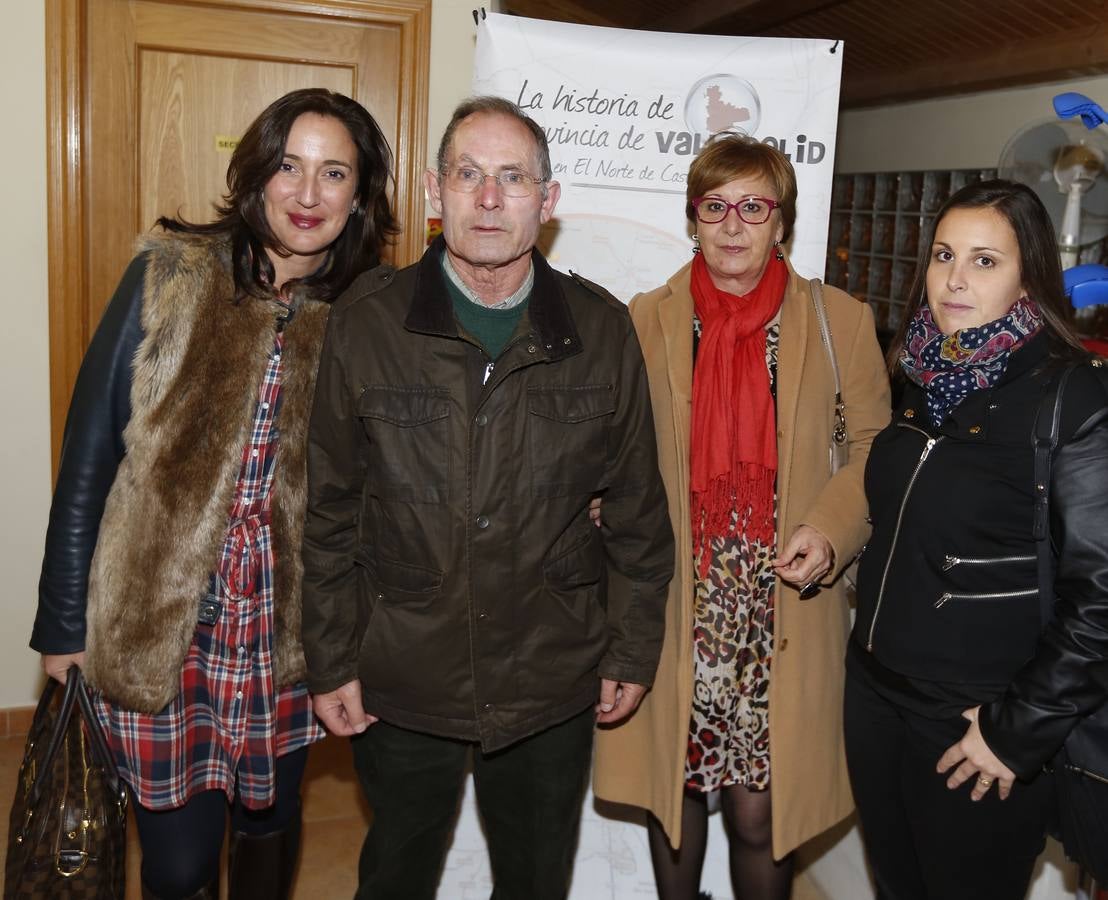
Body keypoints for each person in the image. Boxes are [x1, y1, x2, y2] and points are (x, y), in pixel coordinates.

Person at [299, 95, 674, 900]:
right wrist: (329, 659)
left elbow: (640, 515)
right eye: (470, 175)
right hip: (403, 668)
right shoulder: (367, 324)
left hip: (551, 672)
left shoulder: (601, 331)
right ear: (436, 192)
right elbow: (328, 508)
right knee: (396, 872)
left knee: (535, 880)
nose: (491, 198)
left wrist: (631, 649)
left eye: (513, 178)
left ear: (549, 198)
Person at [32, 88, 398, 900]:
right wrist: (63, 622)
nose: (307, 195)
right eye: (288, 167)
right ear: (254, 175)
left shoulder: (372, 319)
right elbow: (89, 453)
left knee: (269, 827)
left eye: (333, 173)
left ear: (360, 197)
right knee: (178, 862)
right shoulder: (168, 279)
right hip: (162, 626)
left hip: (291, 636)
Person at [593, 133, 891, 900]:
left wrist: (827, 529)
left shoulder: (841, 320)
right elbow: (611, 448)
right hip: (676, 599)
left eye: (753, 207)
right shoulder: (646, 320)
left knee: (762, 814)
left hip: (780, 602)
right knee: (677, 798)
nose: (733, 224)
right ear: (693, 219)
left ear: (781, 223)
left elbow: (872, 450)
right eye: (715, 206)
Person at [844, 178, 1108, 900]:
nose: (954, 278)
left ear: (1030, 277)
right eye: (942, 255)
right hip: (875, 696)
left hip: (973, 724)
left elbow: (1101, 596)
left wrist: (1014, 731)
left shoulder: (1074, 398)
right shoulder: (925, 373)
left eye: (985, 261)